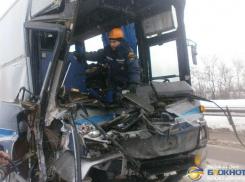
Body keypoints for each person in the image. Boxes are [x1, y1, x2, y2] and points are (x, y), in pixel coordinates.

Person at [84, 28, 140, 93]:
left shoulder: (128, 53)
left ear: (120, 41)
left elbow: (134, 68)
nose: (111, 44)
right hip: (114, 84)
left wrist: (134, 82)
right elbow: (96, 55)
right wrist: (83, 56)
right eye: (110, 41)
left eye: (114, 42)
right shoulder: (107, 50)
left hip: (126, 84)